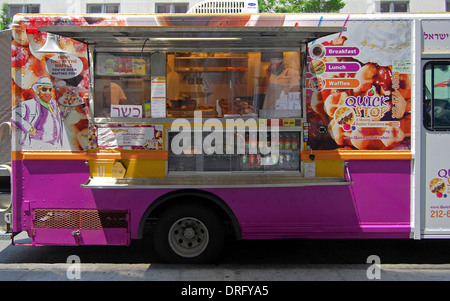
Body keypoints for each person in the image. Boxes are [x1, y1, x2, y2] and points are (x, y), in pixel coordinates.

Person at [11, 76, 64, 147]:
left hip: (55, 145)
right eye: (44, 89)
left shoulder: (53, 105)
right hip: (36, 143)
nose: (48, 92)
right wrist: (29, 129)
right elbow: (14, 116)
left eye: (49, 89)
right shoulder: (28, 104)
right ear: (38, 90)